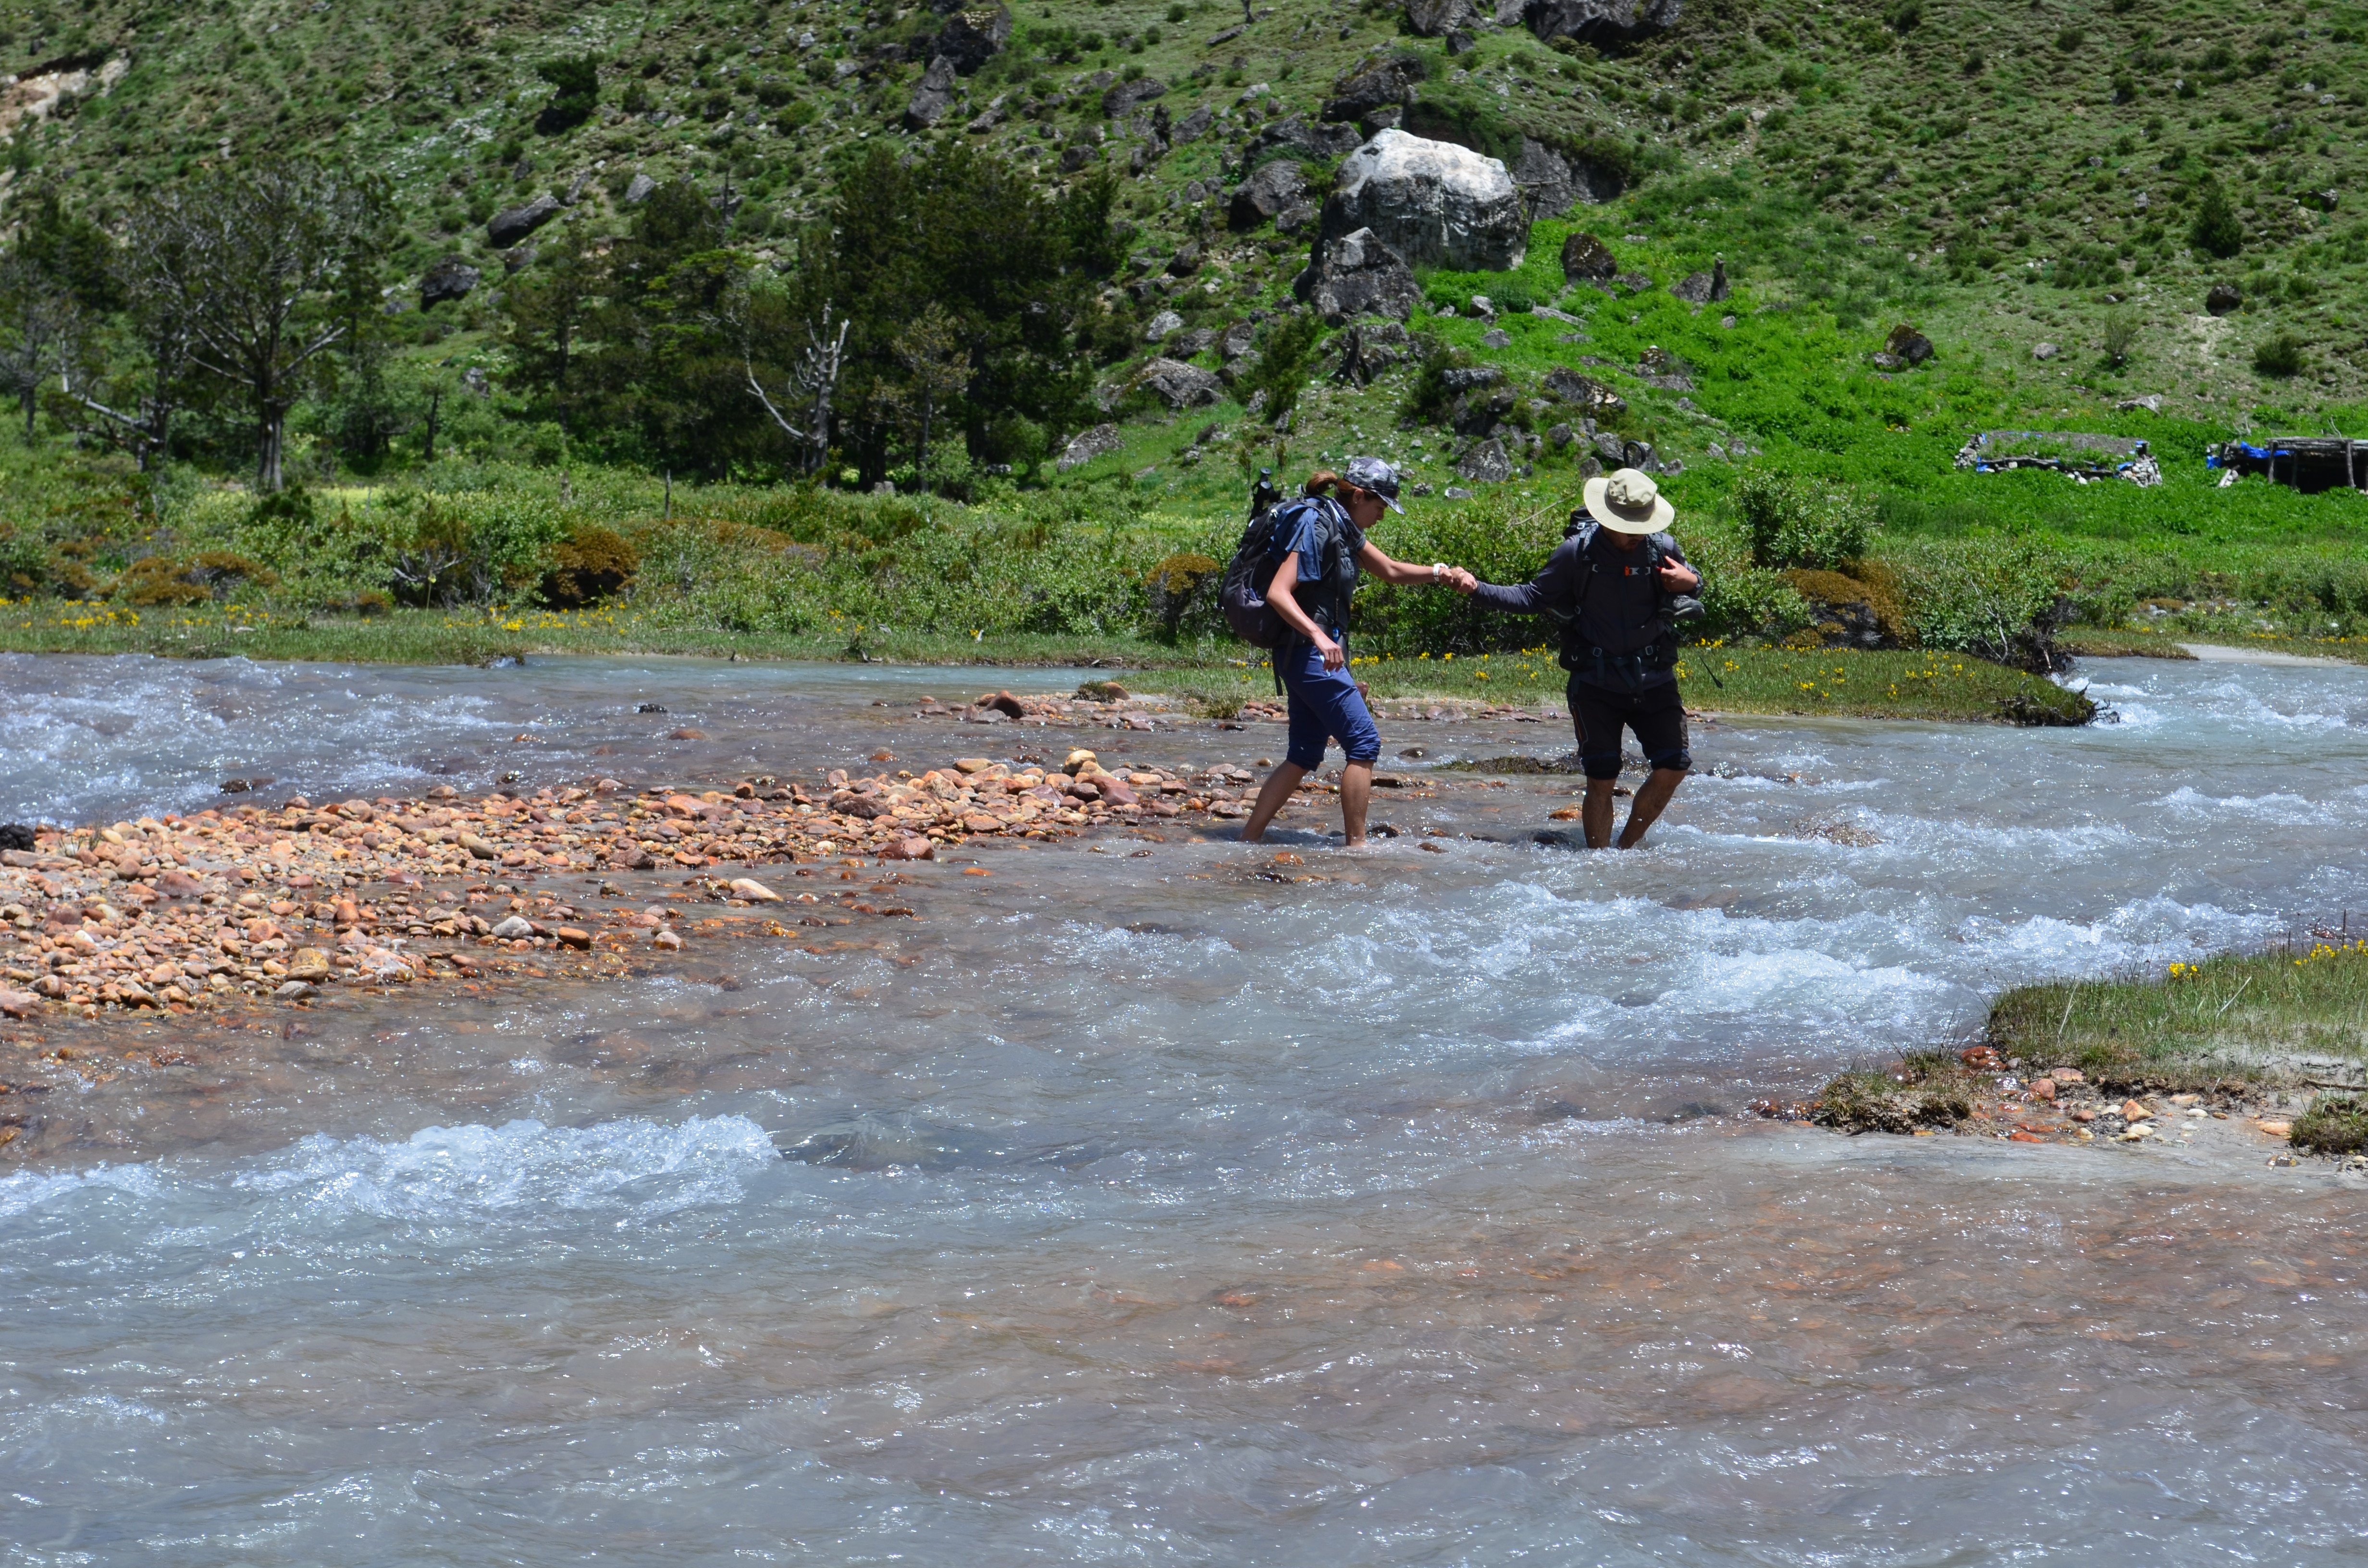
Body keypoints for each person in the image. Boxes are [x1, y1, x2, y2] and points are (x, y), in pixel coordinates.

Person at [1448, 466, 1702, 849]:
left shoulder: (1662, 547)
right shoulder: (1576, 553)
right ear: (1605, 519)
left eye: (1641, 526)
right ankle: (1598, 862)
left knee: (1674, 767)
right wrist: (1476, 589)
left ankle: (1626, 847)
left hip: (1655, 679)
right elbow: (1532, 598)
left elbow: (1693, 581)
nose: (1635, 535)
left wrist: (1693, 582)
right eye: (1627, 526)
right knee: (1602, 778)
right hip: (1595, 683)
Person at [1239, 456, 1465, 848]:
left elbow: (1390, 571)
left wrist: (1439, 573)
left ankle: (1247, 840)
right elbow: (1279, 592)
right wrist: (1319, 636)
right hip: (1311, 653)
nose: (1382, 516)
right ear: (1359, 496)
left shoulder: (1345, 529)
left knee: (1304, 754)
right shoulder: (1316, 525)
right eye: (1379, 507)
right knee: (1363, 744)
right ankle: (1357, 849)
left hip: (1307, 656)